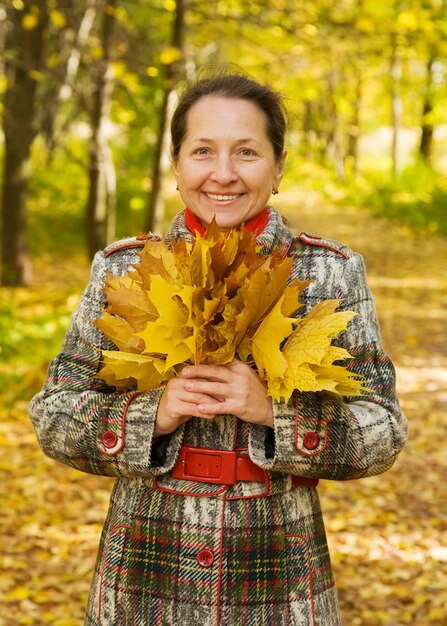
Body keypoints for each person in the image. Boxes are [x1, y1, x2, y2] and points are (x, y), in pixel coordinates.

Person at [30, 70, 408, 626]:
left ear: (278, 167)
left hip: (279, 583)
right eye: (203, 151)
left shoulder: (328, 273)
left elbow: (385, 431)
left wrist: (275, 414)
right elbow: (53, 415)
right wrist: (149, 416)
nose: (224, 174)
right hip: (143, 579)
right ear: (177, 164)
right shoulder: (125, 270)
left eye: (247, 152)